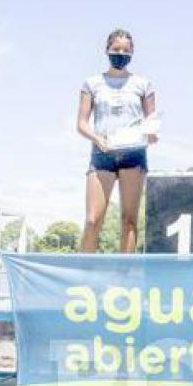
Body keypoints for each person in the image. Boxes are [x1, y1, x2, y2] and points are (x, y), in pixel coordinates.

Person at [77, 28, 157, 253]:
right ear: (107, 50)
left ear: (132, 53)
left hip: (133, 155)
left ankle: (125, 276)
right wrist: (96, 138)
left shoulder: (143, 84)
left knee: (129, 219)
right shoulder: (92, 83)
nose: (120, 53)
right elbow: (81, 123)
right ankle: (86, 273)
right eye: (116, 49)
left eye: (126, 50)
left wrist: (151, 133)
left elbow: (151, 120)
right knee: (93, 219)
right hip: (102, 154)